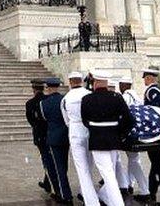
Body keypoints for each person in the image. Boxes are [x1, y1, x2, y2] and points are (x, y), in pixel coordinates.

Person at [81, 72, 134, 206]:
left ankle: (117, 203)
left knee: (108, 175)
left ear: (95, 83)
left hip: (98, 140)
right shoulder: (117, 97)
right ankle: (105, 196)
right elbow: (129, 120)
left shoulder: (87, 99)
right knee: (109, 171)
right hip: (114, 139)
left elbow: (85, 121)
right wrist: (119, 134)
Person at [61, 72, 99, 206]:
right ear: (81, 81)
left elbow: (66, 120)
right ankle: (89, 193)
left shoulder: (65, 98)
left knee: (81, 167)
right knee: (90, 164)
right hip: (89, 130)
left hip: (75, 131)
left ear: (70, 82)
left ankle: (90, 199)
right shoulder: (89, 94)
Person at [41, 78, 73, 204]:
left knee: (58, 166)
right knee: (63, 165)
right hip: (66, 136)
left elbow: (45, 118)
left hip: (54, 138)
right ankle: (63, 191)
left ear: (48, 87)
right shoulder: (64, 99)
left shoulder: (44, 103)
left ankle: (65, 194)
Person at [142, 68, 160, 202]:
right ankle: (152, 192)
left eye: (145, 78)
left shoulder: (152, 91)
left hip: (156, 133)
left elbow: (155, 112)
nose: (144, 80)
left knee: (157, 164)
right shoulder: (156, 90)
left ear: (150, 78)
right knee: (156, 164)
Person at [118, 76, 149, 202]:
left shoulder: (125, 97)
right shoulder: (137, 97)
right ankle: (129, 184)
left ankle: (144, 189)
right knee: (134, 159)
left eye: (121, 85)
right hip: (138, 133)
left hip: (128, 134)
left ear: (124, 85)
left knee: (133, 161)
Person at [25, 79, 54, 196]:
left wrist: (37, 127)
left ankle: (49, 183)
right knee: (50, 157)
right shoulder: (48, 100)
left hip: (39, 135)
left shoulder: (30, 103)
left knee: (45, 159)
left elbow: (30, 120)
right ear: (43, 88)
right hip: (50, 132)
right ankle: (47, 181)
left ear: (34, 89)